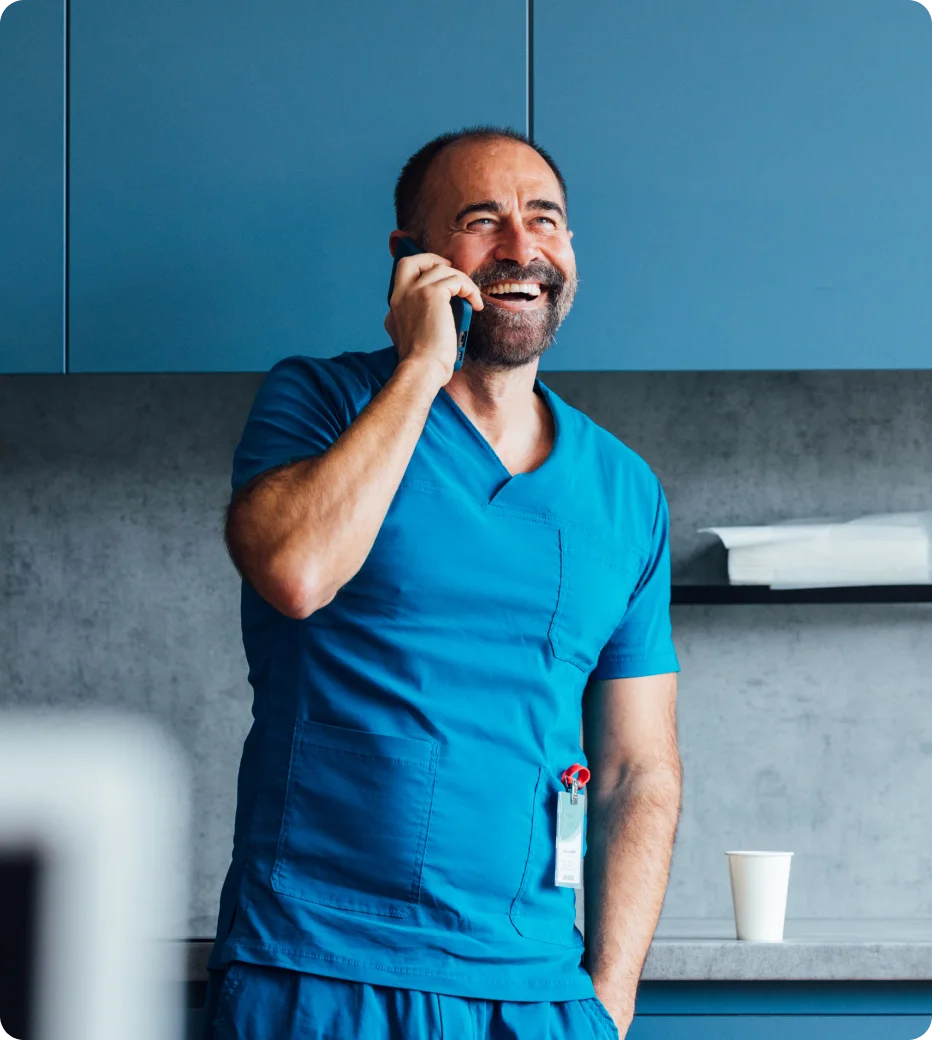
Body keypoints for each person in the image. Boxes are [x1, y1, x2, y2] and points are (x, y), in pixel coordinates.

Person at [205, 126, 682, 1040]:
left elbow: (636, 767)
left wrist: (609, 1001)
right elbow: (295, 572)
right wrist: (423, 365)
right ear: (409, 256)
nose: (521, 247)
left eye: (545, 220)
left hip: (538, 990)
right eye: (481, 220)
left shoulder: (625, 491)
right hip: (322, 968)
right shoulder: (321, 406)